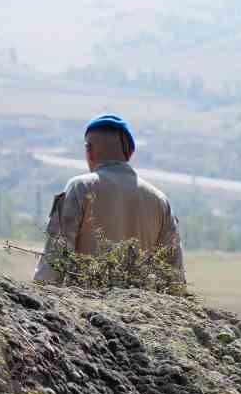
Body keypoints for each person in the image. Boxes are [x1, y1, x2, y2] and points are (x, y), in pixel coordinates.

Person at [34, 114, 186, 286]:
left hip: (84, 308)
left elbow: (53, 263)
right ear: (130, 153)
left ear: (89, 151)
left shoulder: (80, 188)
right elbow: (175, 277)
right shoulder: (160, 201)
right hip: (139, 309)